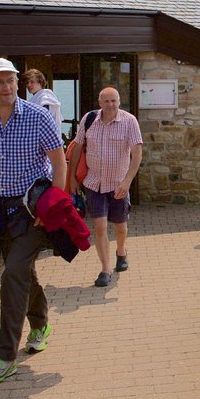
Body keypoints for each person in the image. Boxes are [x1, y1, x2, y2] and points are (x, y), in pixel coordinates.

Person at [0, 57, 67, 383]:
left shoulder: (38, 117)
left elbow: (59, 161)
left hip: (34, 208)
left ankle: (4, 356)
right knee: (21, 271)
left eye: (11, 80)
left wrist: (54, 206)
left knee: (12, 274)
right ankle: (40, 323)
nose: (7, 86)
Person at [68, 87, 143, 287]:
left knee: (120, 227)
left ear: (119, 101)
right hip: (94, 183)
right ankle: (105, 268)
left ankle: (121, 251)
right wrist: (73, 178)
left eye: (114, 101)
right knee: (100, 226)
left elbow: (137, 154)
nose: (110, 105)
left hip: (118, 185)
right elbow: (77, 147)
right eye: (106, 101)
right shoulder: (89, 119)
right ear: (100, 103)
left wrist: (127, 181)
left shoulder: (129, 121)